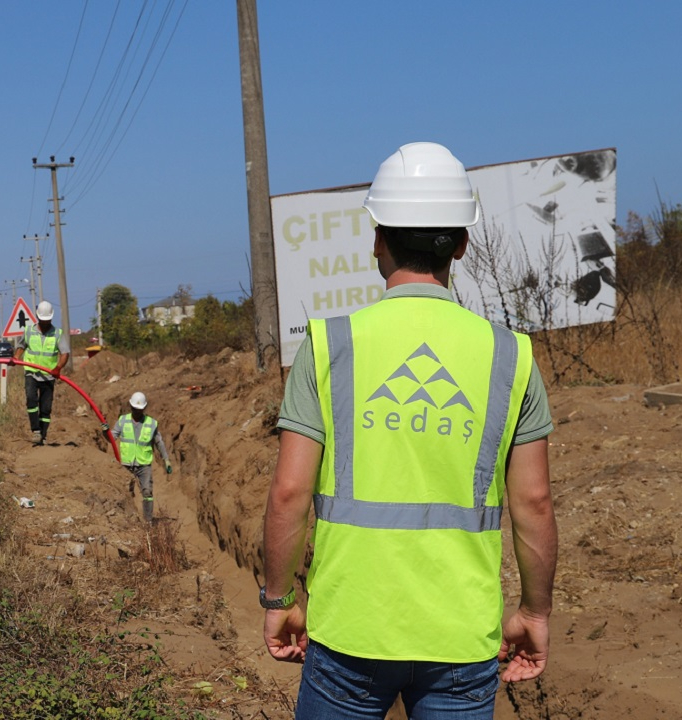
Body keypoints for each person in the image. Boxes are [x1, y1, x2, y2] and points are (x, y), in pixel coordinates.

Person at [261, 142, 558, 719]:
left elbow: (289, 494)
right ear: (464, 244)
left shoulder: (328, 347)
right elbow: (534, 502)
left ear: (377, 237)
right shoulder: (510, 357)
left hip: (350, 627)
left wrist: (278, 599)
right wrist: (534, 612)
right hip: (459, 636)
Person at [13, 300, 71, 445]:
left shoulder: (57, 333)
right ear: (37, 317)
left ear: (51, 318)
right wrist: (16, 358)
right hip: (31, 372)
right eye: (42, 320)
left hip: (48, 375)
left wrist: (58, 368)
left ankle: (43, 435)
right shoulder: (29, 331)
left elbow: (65, 353)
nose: (45, 323)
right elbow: (21, 346)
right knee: (31, 399)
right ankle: (36, 431)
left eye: (47, 320)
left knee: (46, 408)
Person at [113, 392, 172, 523]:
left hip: (143, 465)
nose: (136, 412)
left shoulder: (151, 424)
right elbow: (112, 438)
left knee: (147, 492)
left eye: (139, 409)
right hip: (126, 464)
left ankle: (148, 522)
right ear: (130, 406)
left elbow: (159, 442)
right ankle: (127, 519)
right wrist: (105, 431)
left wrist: (166, 460)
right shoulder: (123, 420)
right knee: (125, 492)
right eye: (134, 409)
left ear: (144, 408)